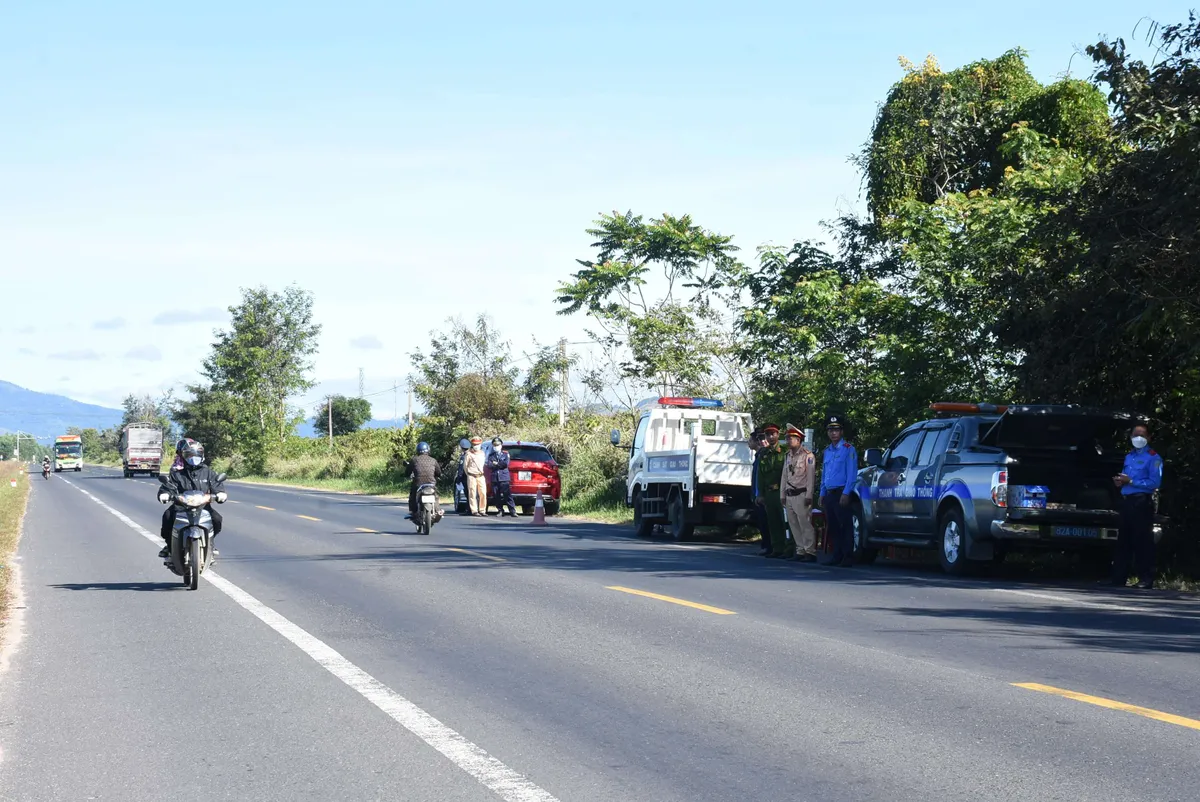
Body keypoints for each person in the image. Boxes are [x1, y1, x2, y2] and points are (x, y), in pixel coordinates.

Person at [1111, 423, 1163, 589]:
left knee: (1142, 541)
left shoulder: (1153, 458)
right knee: (1123, 540)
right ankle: (1118, 578)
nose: (1138, 438)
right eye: (1135, 435)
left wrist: (1131, 481)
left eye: (1142, 435)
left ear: (1148, 438)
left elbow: (1154, 483)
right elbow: (1127, 479)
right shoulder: (1129, 457)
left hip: (1141, 502)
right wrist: (1121, 482)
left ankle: (1145, 578)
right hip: (1127, 501)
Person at [157, 438, 226, 559]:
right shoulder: (177, 473)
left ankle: (210, 543)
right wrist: (165, 494)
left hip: (203, 507)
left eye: (197, 454)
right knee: (167, 517)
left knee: (217, 519)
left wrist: (220, 494)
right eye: (189, 455)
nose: (193, 457)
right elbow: (167, 486)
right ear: (184, 456)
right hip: (181, 507)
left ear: (202, 455)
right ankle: (169, 545)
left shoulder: (208, 472)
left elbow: (217, 485)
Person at [819, 414, 859, 567]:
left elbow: (852, 473)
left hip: (841, 492)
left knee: (845, 525)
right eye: (830, 430)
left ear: (841, 431)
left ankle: (848, 555)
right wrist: (822, 492)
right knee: (833, 526)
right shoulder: (827, 451)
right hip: (830, 493)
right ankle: (837, 555)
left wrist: (846, 492)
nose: (833, 433)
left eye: (836, 430)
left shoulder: (848, 449)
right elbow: (825, 473)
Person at [781, 424, 817, 563]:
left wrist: (809, 495)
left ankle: (810, 551)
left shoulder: (808, 456)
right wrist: (782, 494)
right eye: (788, 437)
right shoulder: (788, 456)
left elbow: (810, 477)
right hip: (789, 494)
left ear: (799, 440)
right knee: (794, 524)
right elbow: (784, 476)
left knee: (805, 523)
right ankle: (800, 550)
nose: (789, 440)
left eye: (792, 438)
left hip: (801, 494)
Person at [756, 425, 791, 559]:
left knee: (785, 522)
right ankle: (777, 547)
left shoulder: (784, 452)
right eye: (768, 435)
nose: (770, 437)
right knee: (773, 521)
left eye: (773, 434)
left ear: (778, 434)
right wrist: (760, 494)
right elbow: (760, 475)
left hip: (781, 491)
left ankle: (788, 548)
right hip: (769, 492)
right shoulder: (764, 454)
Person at [406, 441, 442, 519]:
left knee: (413, 495)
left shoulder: (415, 460)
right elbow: (439, 472)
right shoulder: (433, 460)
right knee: (435, 496)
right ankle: (437, 510)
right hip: (431, 484)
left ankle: (412, 511)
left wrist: (406, 474)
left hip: (418, 483)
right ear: (428, 450)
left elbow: (408, 471)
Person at [749, 430, 771, 555]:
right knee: (762, 521)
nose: (763, 441)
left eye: (764, 438)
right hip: (759, 493)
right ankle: (766, 545)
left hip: (768, 493)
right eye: (760, 439)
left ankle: (770, 546)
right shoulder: (759, 455)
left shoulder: (766, 455)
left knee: (768, 522)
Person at [487, 438, 516, 517]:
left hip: (504, 478)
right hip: (495, 478)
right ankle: (500, 510)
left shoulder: (505, 454)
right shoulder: (491, 455)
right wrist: (499, 464)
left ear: (501, 445)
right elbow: (489, 465)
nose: (496, 446)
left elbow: (505, 464)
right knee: (497, 496)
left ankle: (512, 511)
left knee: (507, 495)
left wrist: (496, 463)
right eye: (494, 445)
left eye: (498, 445)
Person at [464, 436, 488, 517]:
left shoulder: (482, 453)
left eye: (478, 444)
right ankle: (474, 510)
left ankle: (482, 510)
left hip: (481, 476)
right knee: (472, 493)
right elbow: (465, 466)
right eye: (474, 444)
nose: (476, 446)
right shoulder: (469, 454)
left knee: (483, 493)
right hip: (471, 475)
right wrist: (469, 475)